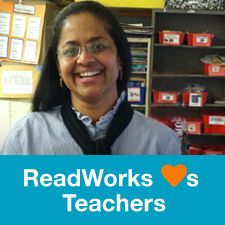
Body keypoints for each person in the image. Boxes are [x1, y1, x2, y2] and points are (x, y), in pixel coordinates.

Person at [0, 1, 181, 155]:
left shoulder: (162, 144)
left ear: (120, 58)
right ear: (58, 66)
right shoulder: (25, 138)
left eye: (98, 46)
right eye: (70, 51)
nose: (85, 59)